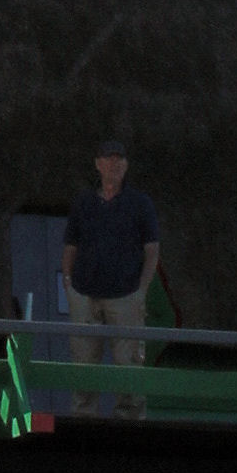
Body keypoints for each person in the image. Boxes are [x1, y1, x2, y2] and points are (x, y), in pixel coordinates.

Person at [62, 144, 160, 410]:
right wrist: (69, 285)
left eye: (120, 160)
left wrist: (141, 291)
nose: (114, 164)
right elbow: (70, 245)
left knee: (128, 368)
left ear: (126, 166)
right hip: (85, 294)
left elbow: (152, 250)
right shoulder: (83, 203)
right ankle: (83, 427)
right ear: (98, 164)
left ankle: (128, 430)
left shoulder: (140, 204)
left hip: (125, 296)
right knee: (83, 368)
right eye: (109, 159)